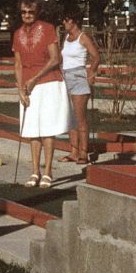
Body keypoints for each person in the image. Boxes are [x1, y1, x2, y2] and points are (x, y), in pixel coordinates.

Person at [13, 0, 71, 188]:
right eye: (23, 12)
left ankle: (47, 172)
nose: (27, 15)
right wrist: (20, 89)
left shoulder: (47, 28)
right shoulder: (17, 34)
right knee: (32, 130)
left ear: (37, 12)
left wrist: (35, 79)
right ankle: (35, 171)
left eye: (31, 11)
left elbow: (56, 59)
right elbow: (18, 64)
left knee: (47, 129)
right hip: (28, 86)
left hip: (48, 83)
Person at [60, 9, 100, 164]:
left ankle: (84, 153)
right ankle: (74, 152)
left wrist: (91, 72)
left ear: (74, 21)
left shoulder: (83, 37)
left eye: (66, 20)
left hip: (78, 78)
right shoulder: (66, 38)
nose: (64, 23)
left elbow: (96, 56)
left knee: (80, 118)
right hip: (66, 77)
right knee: (70, 117)